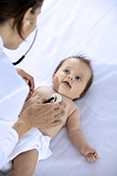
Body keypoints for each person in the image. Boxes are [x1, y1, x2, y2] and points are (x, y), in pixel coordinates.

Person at [0, 0, 65, 170]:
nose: (70, 78)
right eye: (37, 15)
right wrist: (25, 123)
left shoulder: (12, 83)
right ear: (28, 15)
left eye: (79, 78)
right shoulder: (13, 89)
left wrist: (9, 70)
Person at [9, 56, 99, 176]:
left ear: (80, 93)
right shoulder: (41, 89)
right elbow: (21, 100)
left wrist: (84, 148)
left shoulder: (72, 109)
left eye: (78, 78)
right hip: (15, 123)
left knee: (24, 172)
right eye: (66, 71)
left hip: (32, 142)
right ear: (54, 75)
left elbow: (75, 131)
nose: (70, 76)